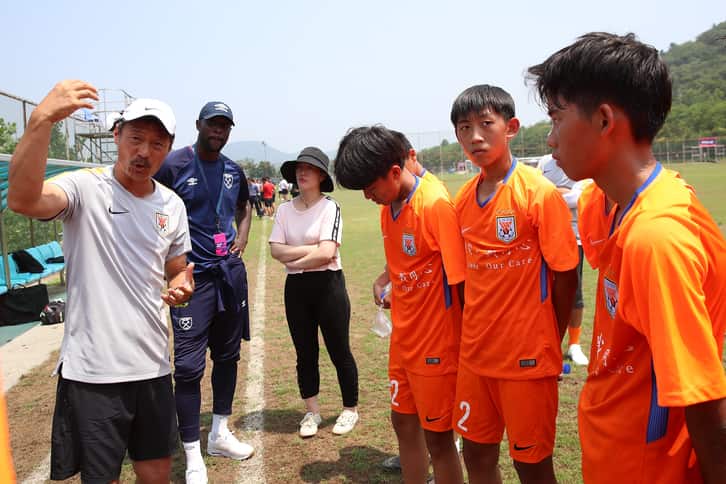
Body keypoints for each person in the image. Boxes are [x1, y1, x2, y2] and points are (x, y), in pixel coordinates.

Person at [528, 32, 726, 483]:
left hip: (648, 465)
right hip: (613, 446)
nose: (551, 136)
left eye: (557, 118)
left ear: (603, 120)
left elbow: (701, 395)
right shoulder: (611, 201)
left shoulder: (658, 238)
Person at [8, 80, 194, 483]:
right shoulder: (83, 187)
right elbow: (23, 199)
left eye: (157, 143)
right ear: (117, 136)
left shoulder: (171, 205)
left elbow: (176, 267)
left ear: (169, 148)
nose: (144, 151)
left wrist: (181, 284)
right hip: (94, 374)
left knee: (158, 473)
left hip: (152, 366)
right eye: (136, 138)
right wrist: (41, 120)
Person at [450, 85, 579, 484]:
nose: (475, 137)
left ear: (511, 128)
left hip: (526, 361)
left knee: (532, 466)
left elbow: (565, 276)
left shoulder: (538, 192)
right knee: (477, 455)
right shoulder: (463, 199)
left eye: (486, 124)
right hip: (475, 357)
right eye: (464, 127)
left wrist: (548, 341)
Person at [335, 126, 466, 484]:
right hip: (403, 342)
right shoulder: (388, 206)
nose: (366, 196)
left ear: (394, 172)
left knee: (439, 441)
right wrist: (388, 282)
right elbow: (408, 263)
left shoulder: (435, 205)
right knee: (403, 425)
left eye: (370, 187)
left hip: (437, 347)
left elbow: (461, 282)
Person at [154, 101, 253, 484]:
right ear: (198, 125)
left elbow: (244, 207)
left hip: (228, 273)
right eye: (213, 124)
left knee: (228, 356)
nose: (219, 131)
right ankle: (193, 453)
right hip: (191, 278)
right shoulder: (174, 165)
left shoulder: (233, 169)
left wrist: (241, 236)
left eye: (225, 125)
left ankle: (219, 433)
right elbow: (148, 202)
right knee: (189, 367)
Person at [269, 147, 359, 438]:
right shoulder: (284, 210)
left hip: (328, 285)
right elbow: (275, 249)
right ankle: (312, 412)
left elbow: (327, 253)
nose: (302, 172)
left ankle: (349, 410)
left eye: (309, 168)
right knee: (304, 352)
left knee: (339, 350)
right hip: (295, 290)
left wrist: (294, 261)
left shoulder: (330, 207)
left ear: (321, 175)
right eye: (299, 168)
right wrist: (311, 252)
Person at [537, 154, 589, 366]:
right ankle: (548, 343)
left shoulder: (584, 160)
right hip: (545, 236)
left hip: (575, 238)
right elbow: (537, 195)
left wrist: (554, 193)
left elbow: (581, 199)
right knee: (543, 292)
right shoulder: (544, 163)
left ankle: (574, 345)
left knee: (574, 294)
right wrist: (564, 194)